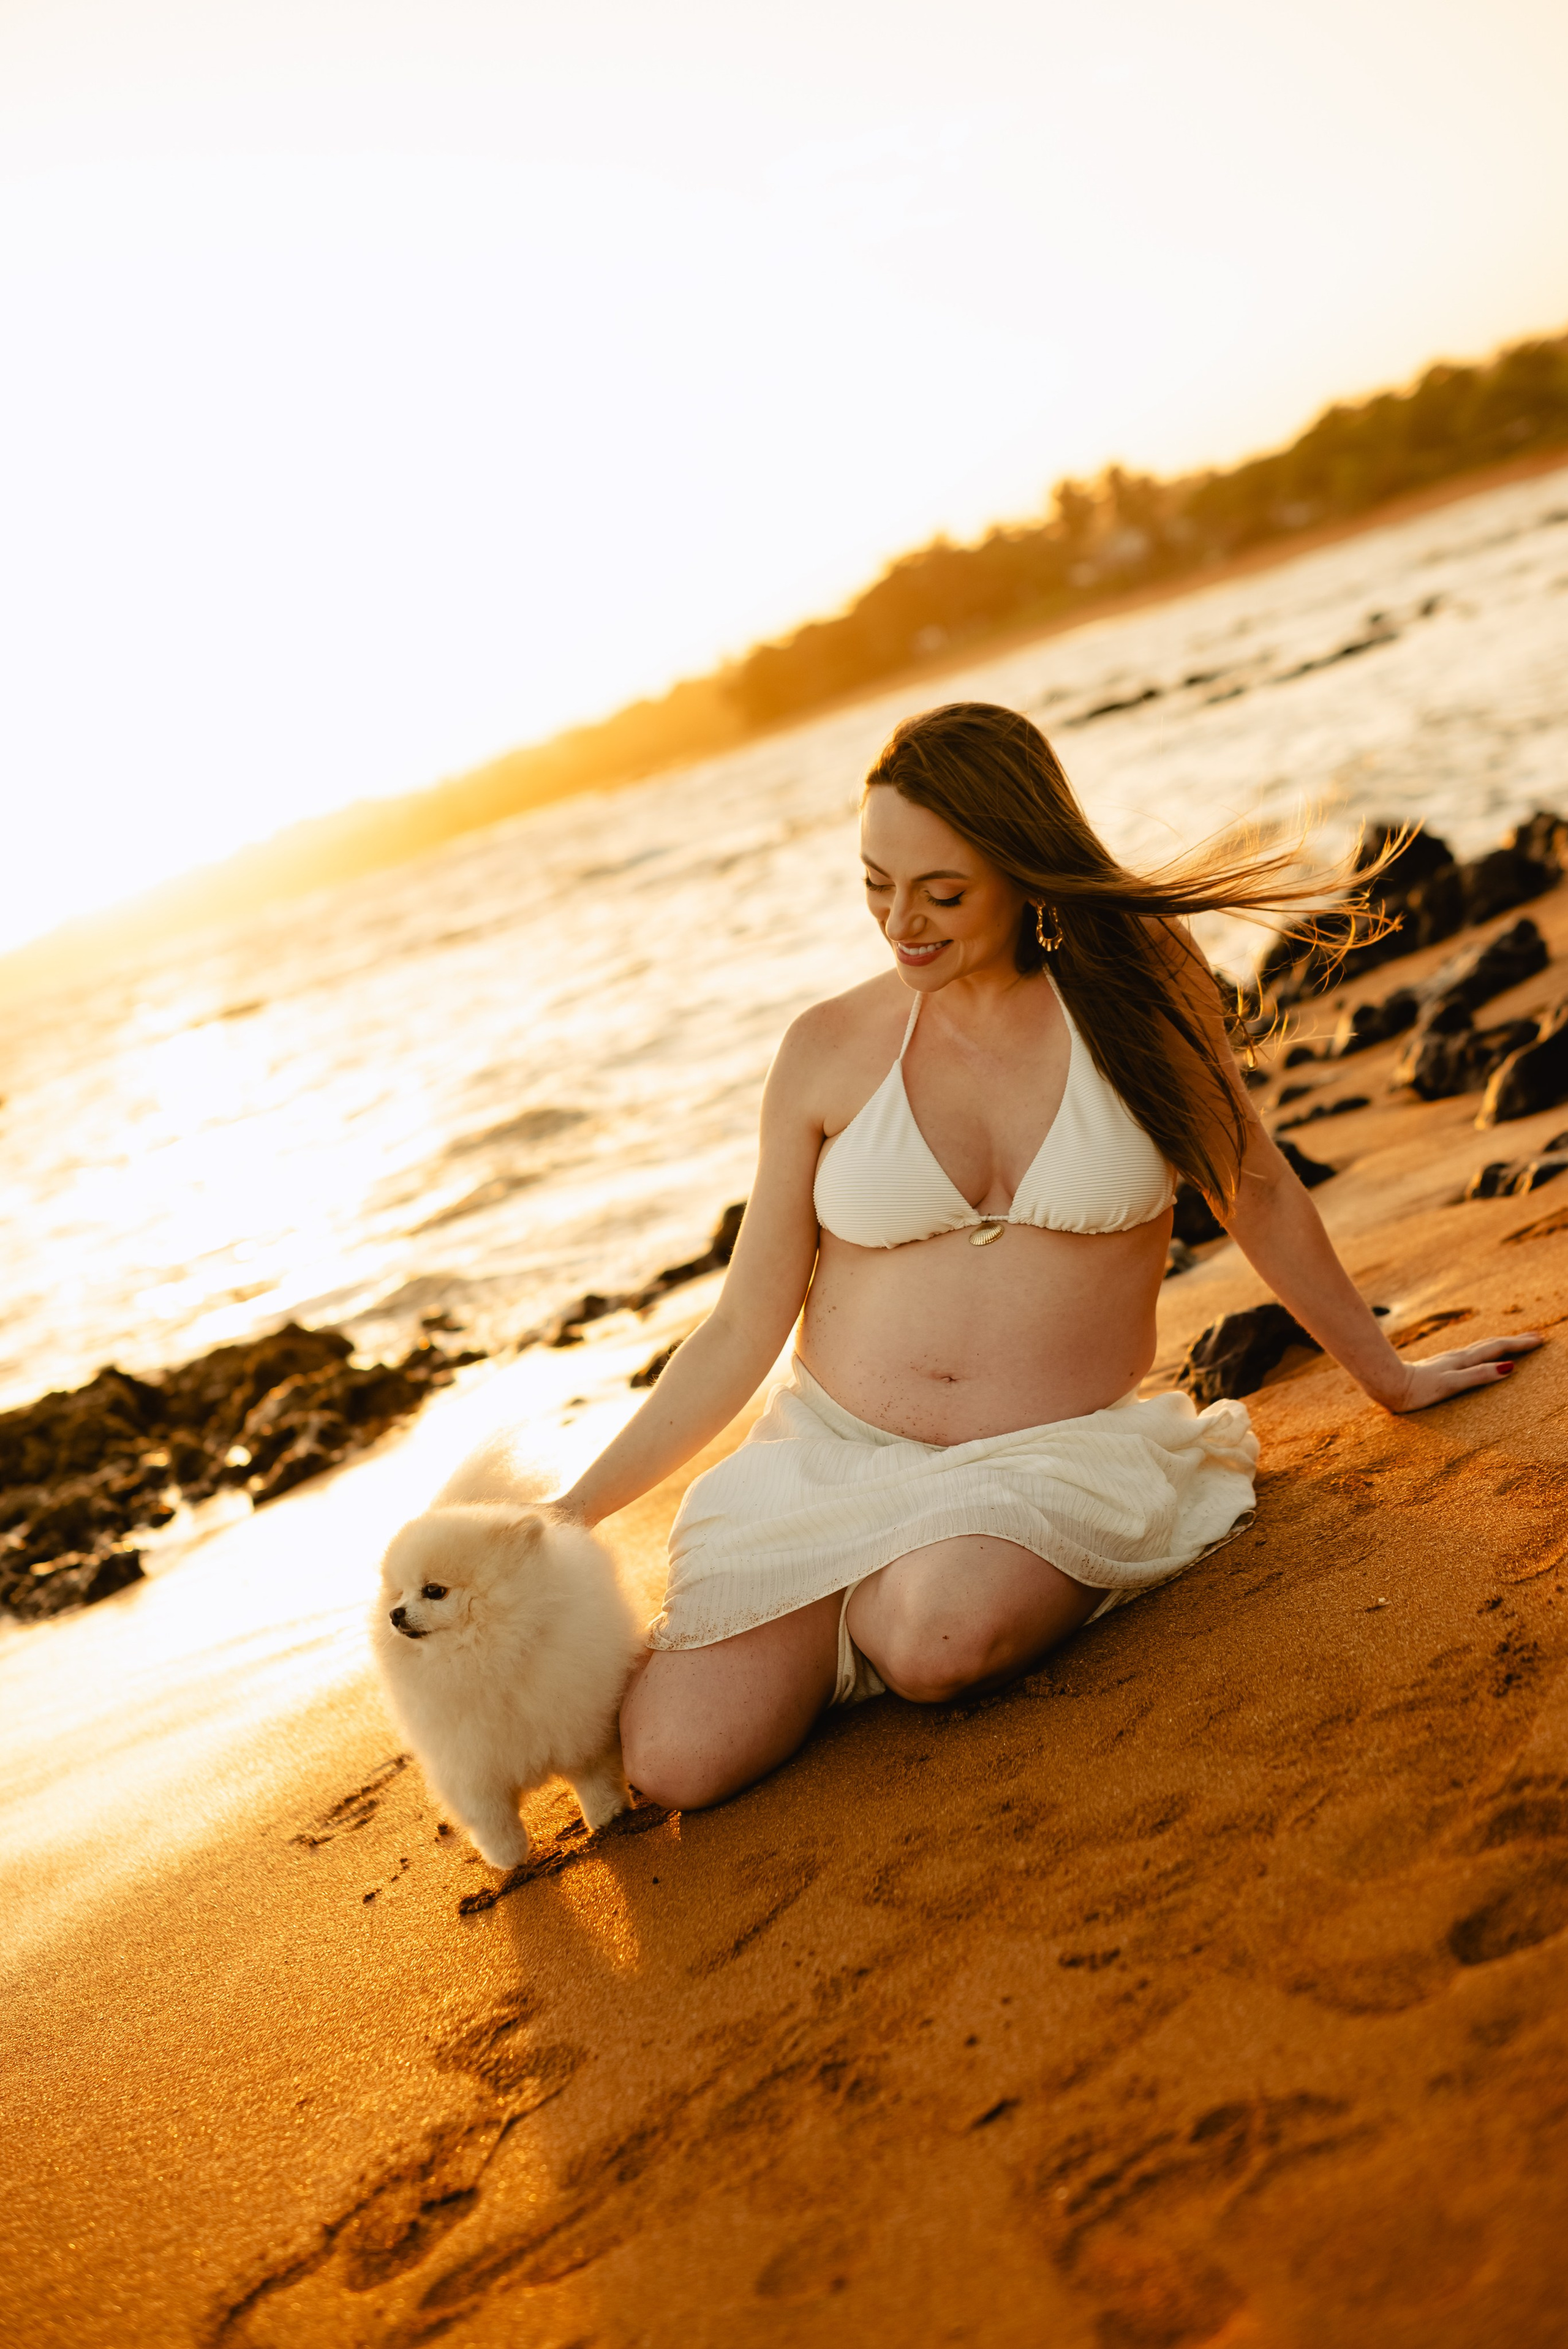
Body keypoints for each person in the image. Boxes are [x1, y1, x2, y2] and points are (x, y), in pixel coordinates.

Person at [557, 703, 1540, 1810]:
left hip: (1047, 1456)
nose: (901, 922)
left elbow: (1252, 1185)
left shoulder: (1134, 988)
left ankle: (904, 1600)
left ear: (1025, 868)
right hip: (825, 1460)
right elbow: (744, 1323)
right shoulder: (827, 1049)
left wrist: (1388, 1374)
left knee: (935, 1638)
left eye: (942, 891)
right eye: (876, 883)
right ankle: (849, 1602)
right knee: (676, 1763)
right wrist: (571, 1512)